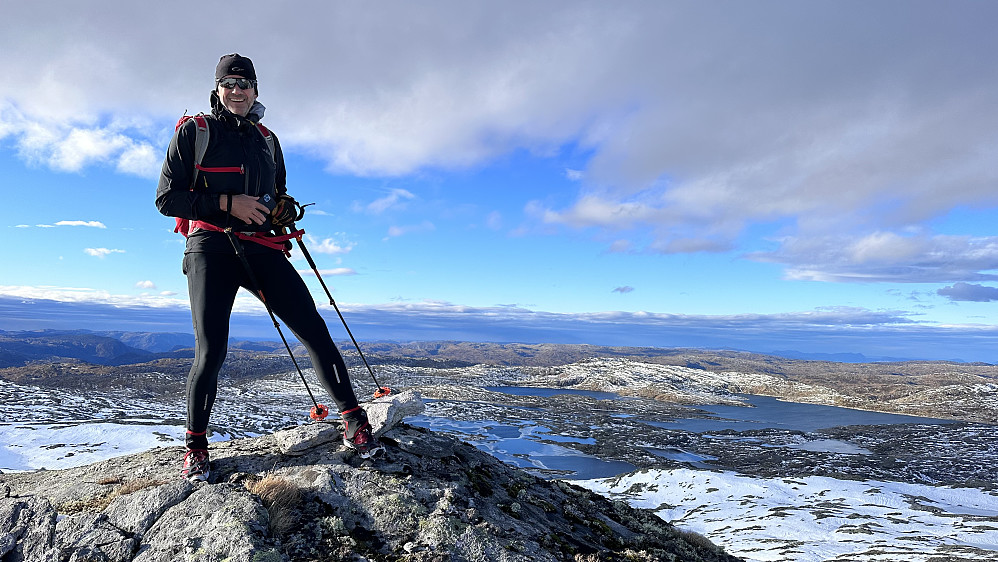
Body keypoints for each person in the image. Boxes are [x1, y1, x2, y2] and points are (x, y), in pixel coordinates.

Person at [156, 53, 383, 482]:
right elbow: (167, 200)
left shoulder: (267, 139)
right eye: (230, 83)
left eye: (246, 84)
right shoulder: (195, 131)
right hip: (210, 245)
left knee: (314, 329)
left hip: (262, 245)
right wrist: (228, 204)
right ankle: (196, 446)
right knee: (212, 351)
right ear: (217, 89)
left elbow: (275, 192)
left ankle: (354, 420)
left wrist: (278, 213)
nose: (238, 91)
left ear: (256, 91)